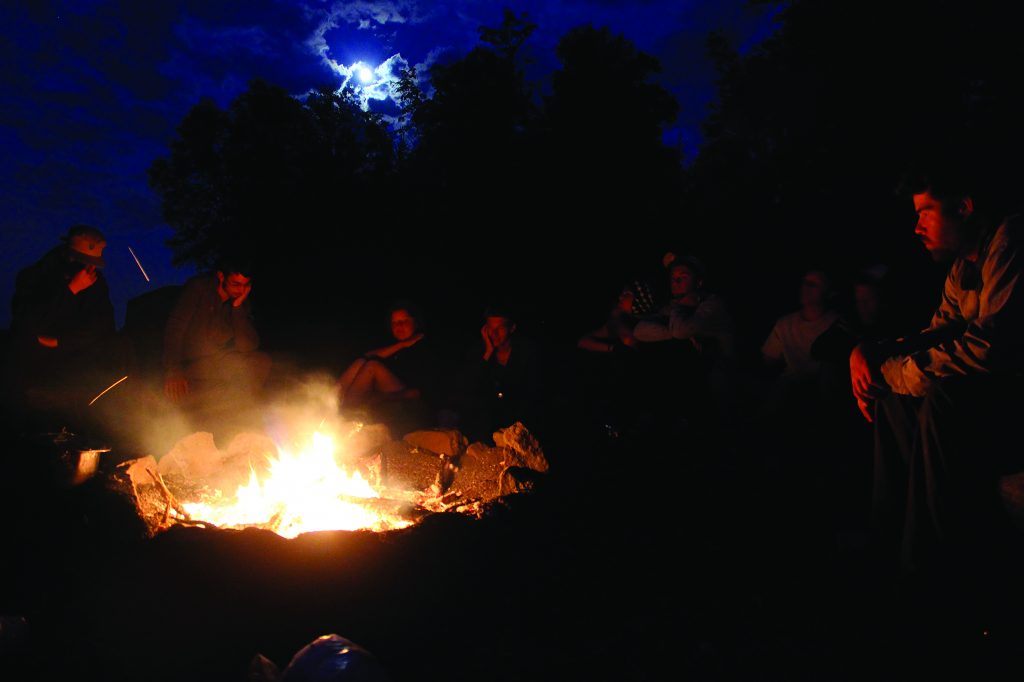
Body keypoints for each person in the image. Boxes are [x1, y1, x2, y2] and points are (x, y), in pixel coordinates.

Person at [850, 159, 1024, 575]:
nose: (916, 228)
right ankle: (886, 543)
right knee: (895, 399)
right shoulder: (962, 269)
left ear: (963, 207)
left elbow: (988, 349)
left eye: (925, 213)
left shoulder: (1012, 239)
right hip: (999, 397)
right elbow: (939, 333)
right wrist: (871, 352)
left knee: (946, 395)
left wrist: (891, 370)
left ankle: (924, 574)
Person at [3, 225, 126, 422]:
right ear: (70, 256)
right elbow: (28, 323)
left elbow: (103, 326)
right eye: (86, 261)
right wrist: (71, 290)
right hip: (35, 362)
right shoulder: (34, 277)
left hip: (76, 357)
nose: (91, 268)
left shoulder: (95, 282)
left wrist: (63, 342)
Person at [162, 255, 271, 415]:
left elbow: (247, 346)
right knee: (182, 398)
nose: (240, 290)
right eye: (235, 284)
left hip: (219, 363)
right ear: (221, 276)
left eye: (245, 285)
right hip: (191, 365)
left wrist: (237, 307)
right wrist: (174, 370)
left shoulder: (241, 302)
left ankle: (242, 413)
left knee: (260, 361)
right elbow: (175, 328)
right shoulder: (198, 289)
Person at [336, 301, 439, 432]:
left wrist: (380, 398)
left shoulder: (423, 346)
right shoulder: (396, 346)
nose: (399, 326)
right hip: (392, 389)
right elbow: (365, 356)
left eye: (404, 321)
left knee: (372, 367)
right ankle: (329, 400)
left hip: (409, 396)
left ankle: (342, 414)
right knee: (361, 362)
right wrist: (402, 345)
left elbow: (421, 391)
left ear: (415, 322)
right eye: (395, 323)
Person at [451, 306, 542, 443]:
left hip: (519, 422)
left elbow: (533, 392)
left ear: (512, 328)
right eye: (490, 329)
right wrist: (487, 352)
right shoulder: (479, 351)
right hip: (486, 422)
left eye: (500, 328)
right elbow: (466, 385)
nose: (494, 334)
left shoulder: (527, 352)